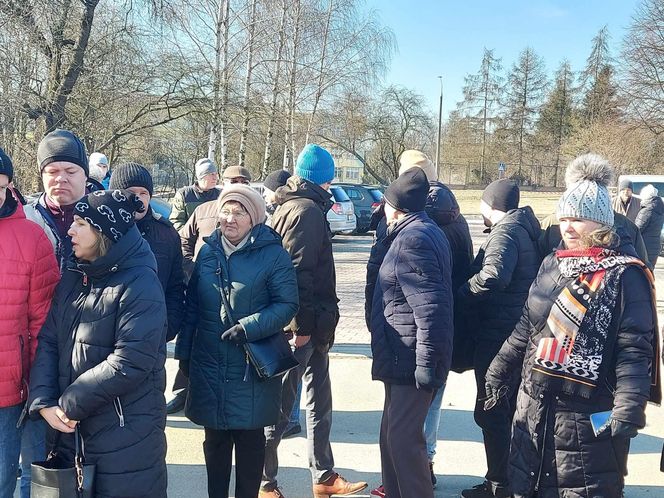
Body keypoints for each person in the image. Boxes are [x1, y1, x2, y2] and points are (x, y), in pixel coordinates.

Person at [485, 156, 659, 498]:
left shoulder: (625, 274)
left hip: (587, 413)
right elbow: (527, 326)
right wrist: (498, 370)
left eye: (577, 219)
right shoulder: (552, 263)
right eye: (564, 218)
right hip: (534, 404)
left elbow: (635, 347)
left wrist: (629, 405)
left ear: (600, 223)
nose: (567, 227)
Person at [28, 189, 168, 498]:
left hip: (124, 436)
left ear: (103, 231)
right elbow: (49, 340)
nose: (70, 230)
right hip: (69, 430)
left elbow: (131, 360)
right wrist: (44, 401)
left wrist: (67, 404)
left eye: (80, 223)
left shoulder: (140, 283)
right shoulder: (75, 277)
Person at [175, 185, 299, 498]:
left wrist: (249, 327)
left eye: (239, 211)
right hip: (209, 363)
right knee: (214, 442)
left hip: (250, 368)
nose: (230, 218)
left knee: (249, 442)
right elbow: (192, 307)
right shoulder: (208, 251)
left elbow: (287, 305)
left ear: (254, 216)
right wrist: (184, 354)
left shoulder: (273, 255)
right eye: (226, 210)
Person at [261, 144, 367, 498]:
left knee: (318, 400)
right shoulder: (305, 211)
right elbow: (296, 273)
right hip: (301, 328)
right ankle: (264, 483)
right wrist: (300, 329)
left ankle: (323, 476)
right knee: (281, 406)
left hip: (314, 326)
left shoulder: (300, 206)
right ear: (326, 178)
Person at [366, 150, 473, 497]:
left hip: (412, 360)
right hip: (399, 357)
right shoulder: (409, 231)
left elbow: (432, 310)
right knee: (391, 440)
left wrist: (427, 368)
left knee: (405, 444)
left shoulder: (415, 239)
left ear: (393, 206)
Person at [458, 179, 541, 498]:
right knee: (506, 412)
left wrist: (463, 293)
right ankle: (505, 479)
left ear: (491, 205)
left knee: (493, 411)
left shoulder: (506, 232)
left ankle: (499, 485)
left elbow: (494, 276)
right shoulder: (523, 228)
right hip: (514, 332)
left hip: (499, 336)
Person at [0, 148, 59, 498]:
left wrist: (39, 381)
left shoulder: (32, 238)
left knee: (11, 476)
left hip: (12, 384)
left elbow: (43, 320)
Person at [109, 163, 186, 342]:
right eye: (131, 192)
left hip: (153, 335)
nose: (138, 199)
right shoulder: (101, 232)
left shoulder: (167, 233)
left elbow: (175, 286)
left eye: (144, 193)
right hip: (106, 336)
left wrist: (168, 326)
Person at [262, 169, 302, 437]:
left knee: (290, 370)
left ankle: (289, 418)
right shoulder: (281, 213)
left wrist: (295, 323)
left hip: (287, 312)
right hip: (285, 311)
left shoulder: (288, 214)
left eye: (266, 190)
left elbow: (298, 268)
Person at [24, 129, 90, 272]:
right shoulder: (24, 218)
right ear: (42, 176)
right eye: (52, 172)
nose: (61, 179)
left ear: (85, 175)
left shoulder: (108, 217)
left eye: (70, 171)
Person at [169, 158, 221, 231]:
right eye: (211, 174)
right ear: (201, 176)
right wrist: (187, 238)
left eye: (216, 174)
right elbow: (176, 221)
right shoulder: (184, 194)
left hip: (215, 240)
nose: (215, 178)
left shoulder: (220, 195)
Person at [635, 184, 664, 268]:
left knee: (641, 272)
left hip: (644, 246)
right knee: (650, 271)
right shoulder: (659, 208)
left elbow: (637, 228)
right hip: (654, 246)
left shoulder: (647, 210)